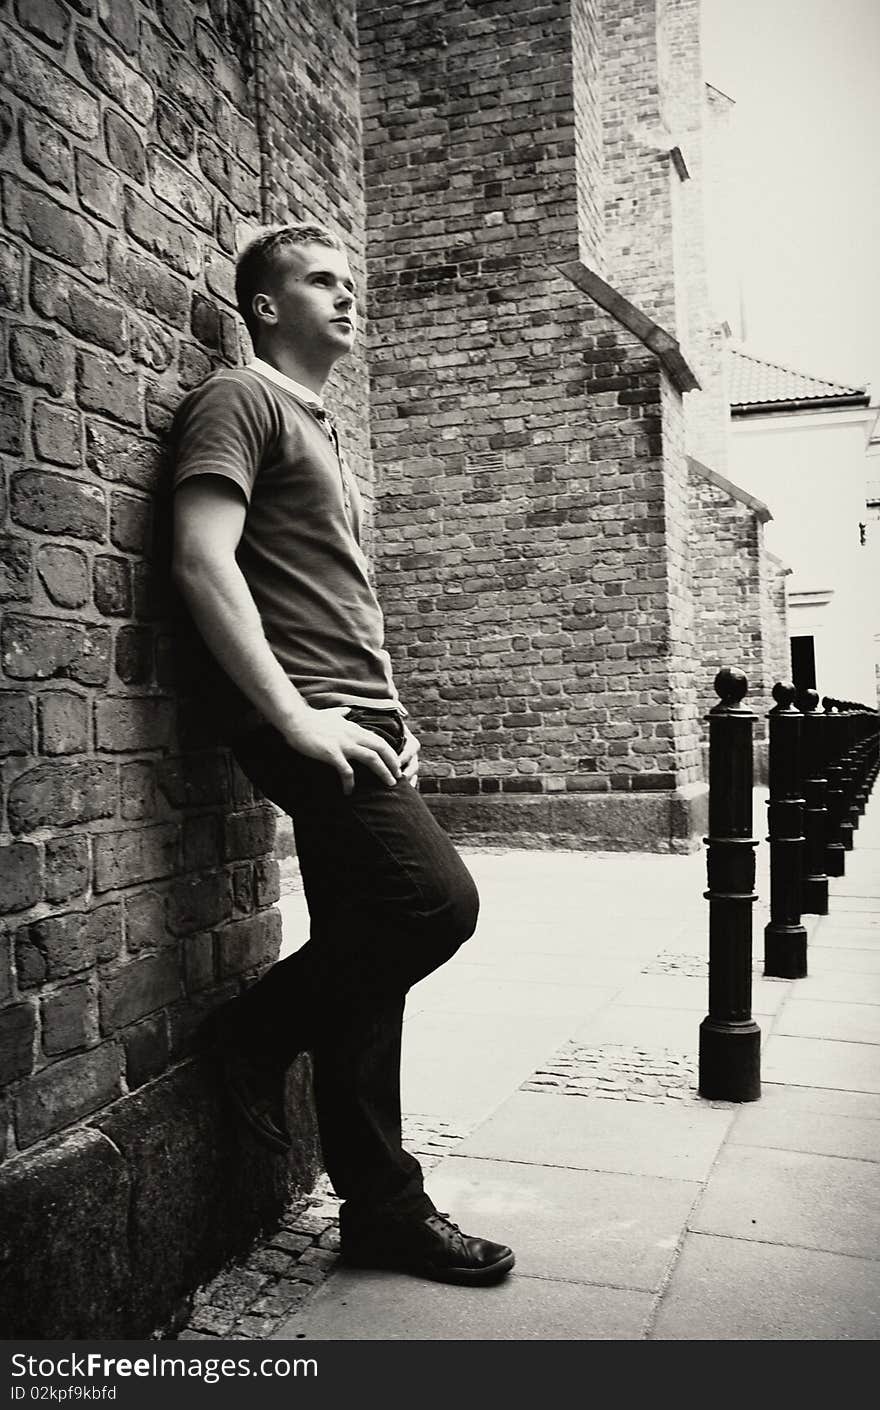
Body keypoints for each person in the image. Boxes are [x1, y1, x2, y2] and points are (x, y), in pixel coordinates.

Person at [170, 221, 515, 1287]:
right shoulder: (244, 398)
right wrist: (294, 718)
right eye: (322, 281)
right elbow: (199, 557)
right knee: (435, 906)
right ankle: (253, 1036)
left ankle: (382, 1213)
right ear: (267, 306)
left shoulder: (319, 427)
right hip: (308, 718)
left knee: (370, 974)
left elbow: (335, 596)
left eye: (350, 282)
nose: (347, 296)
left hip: (357, 718)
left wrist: (394, 715)